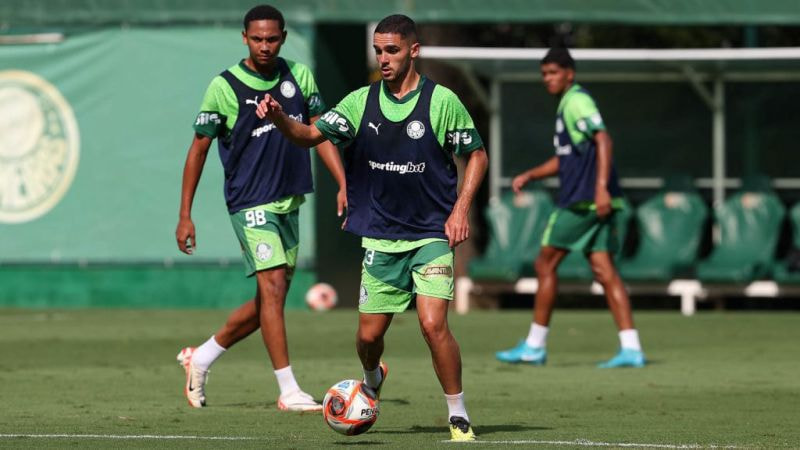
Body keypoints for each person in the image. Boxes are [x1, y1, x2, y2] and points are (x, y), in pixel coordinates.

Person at [255, 14, 488, 441]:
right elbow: (310, 135)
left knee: (433, 325)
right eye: (378, 50)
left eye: (392, 50)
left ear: (414, 51)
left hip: (432, 234)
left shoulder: (441, 102)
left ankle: (458, 413)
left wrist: (460, 210)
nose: (383, 58)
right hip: (381, 237)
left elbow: (477, 155)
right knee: (367, 337)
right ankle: (372, 374)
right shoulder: (360, 102)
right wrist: (280, 120)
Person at [174, 4, 346, 411]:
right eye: (257, 39)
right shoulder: (224, 86)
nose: (265, 46)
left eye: (272, 39)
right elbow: (198, 149)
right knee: (271, 289)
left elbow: (319, 132)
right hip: (250, 201)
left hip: (290, 199)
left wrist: (343, 182)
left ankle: (201, 358)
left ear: (283, 37)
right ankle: (288, 389)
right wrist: (185, 214)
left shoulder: (298, 76)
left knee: (269, 301)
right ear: (244, 38)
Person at [495, 47, 645, 368]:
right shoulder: (567, 104)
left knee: (544, 264)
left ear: (569, 73)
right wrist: (532, 174)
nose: (547, 79)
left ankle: (535, 345)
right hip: (594, 200)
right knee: (604, 270)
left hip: (584, 201)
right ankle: (632, 348)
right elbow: (566, 159)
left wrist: (601, 189)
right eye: (544, 73)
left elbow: (604, 139)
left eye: (553, 73)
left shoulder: (577, 100)